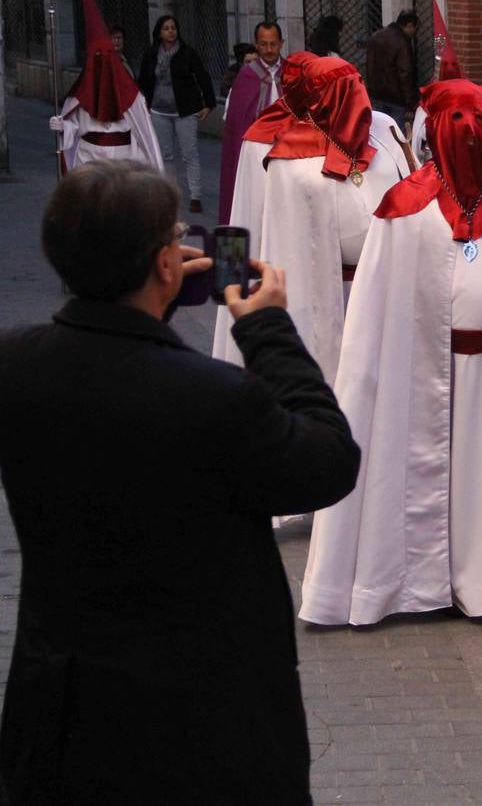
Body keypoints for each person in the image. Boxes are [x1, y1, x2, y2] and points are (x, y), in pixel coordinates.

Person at [0, 160, 360, 804]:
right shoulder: (216, 399)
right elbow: (328, 461)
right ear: (165, 264)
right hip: (201, 727)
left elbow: (107, 365)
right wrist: (267, 330)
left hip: (62, 713)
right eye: (173, 239)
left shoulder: (17, 365)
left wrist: (150, 307)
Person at [301, 79, 482, 632]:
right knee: (448, 488)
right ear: (432, 131)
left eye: (474, 121)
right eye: (452, 123)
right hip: (439, 373)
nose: (466, 134)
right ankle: (435, 580)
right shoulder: (409, 204)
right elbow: (379, 301)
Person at [212, 55, 413, 384]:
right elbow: (242, 215)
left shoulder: (372, 129)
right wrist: (229, 280)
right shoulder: (261, 141)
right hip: (283, 257)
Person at [51, 0, 162, 172]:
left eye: (106, 58)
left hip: (124, 161)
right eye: (97, 58)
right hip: (89, 160)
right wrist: (62, 127)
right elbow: (73, 129)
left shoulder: (131, 95)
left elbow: (143, 135)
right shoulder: (80, 95)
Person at [138, 14, 216, 213]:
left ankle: (195, 196)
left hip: (185, 111)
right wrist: (141, 104)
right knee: (166, 155)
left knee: (189, 154)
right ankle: (170, 195)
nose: (171, 31)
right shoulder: (151, 54)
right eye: (166, 28)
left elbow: (203, 77)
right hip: (159, 110)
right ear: (159, 32)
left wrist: (208, 103)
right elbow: (144, 81)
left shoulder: (187, 53)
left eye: (173, 27)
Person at [219, 22, 288, 222]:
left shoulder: (292, 72)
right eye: (263, 44)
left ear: (281, 43)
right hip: (256, 152)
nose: (268, 50)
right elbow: (237, 122)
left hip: (287, 150)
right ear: (256, 44)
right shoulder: (246, 76)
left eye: (273, 44)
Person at [365, 9, 419, 125]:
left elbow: (369, 66)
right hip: (396, 100)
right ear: (409, 26)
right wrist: (410, 103)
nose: (414, 33)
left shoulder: (376, 36)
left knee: (380, 133)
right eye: (415, 29)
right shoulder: (403, 42)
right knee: (397, 136)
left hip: (376, 96)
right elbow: (405, 73)